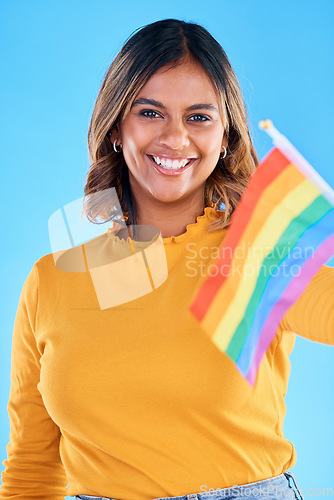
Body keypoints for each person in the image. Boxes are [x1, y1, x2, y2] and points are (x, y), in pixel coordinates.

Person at [1, 18, 333, 500]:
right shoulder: (51, 282)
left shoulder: (263, 257)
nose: (175, 138)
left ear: (225, 139)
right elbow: (32, 468)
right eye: (150, 113)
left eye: (199, 117)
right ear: (116, 127)